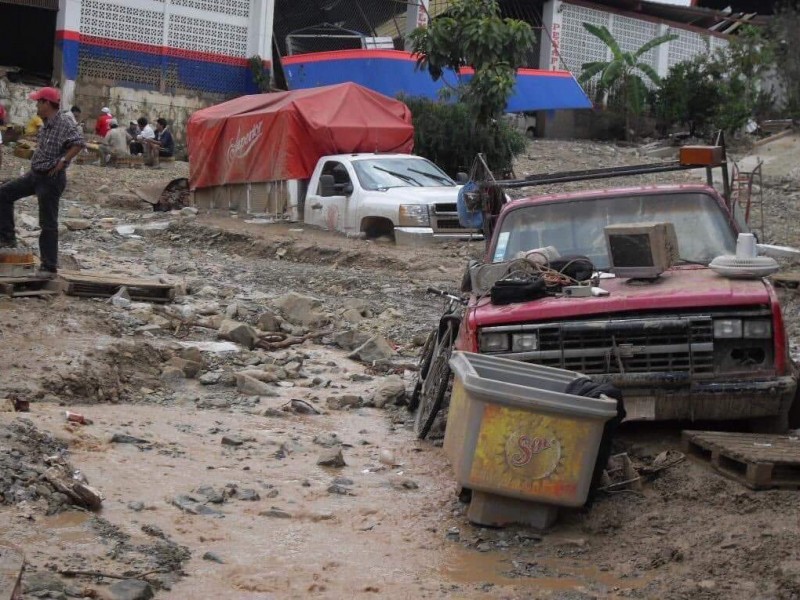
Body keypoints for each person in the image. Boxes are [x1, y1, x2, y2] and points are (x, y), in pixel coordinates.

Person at [0, 87, 85, 278]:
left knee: (47, 222)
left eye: (39, 102)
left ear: (47, 103)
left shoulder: (63, 121)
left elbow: (79, 142)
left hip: (51, 178)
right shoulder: (46, 123)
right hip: (35, 175)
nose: (36, 105)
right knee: (4, 194)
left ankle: (49, 267)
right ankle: (7, 239)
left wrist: (63, 162)